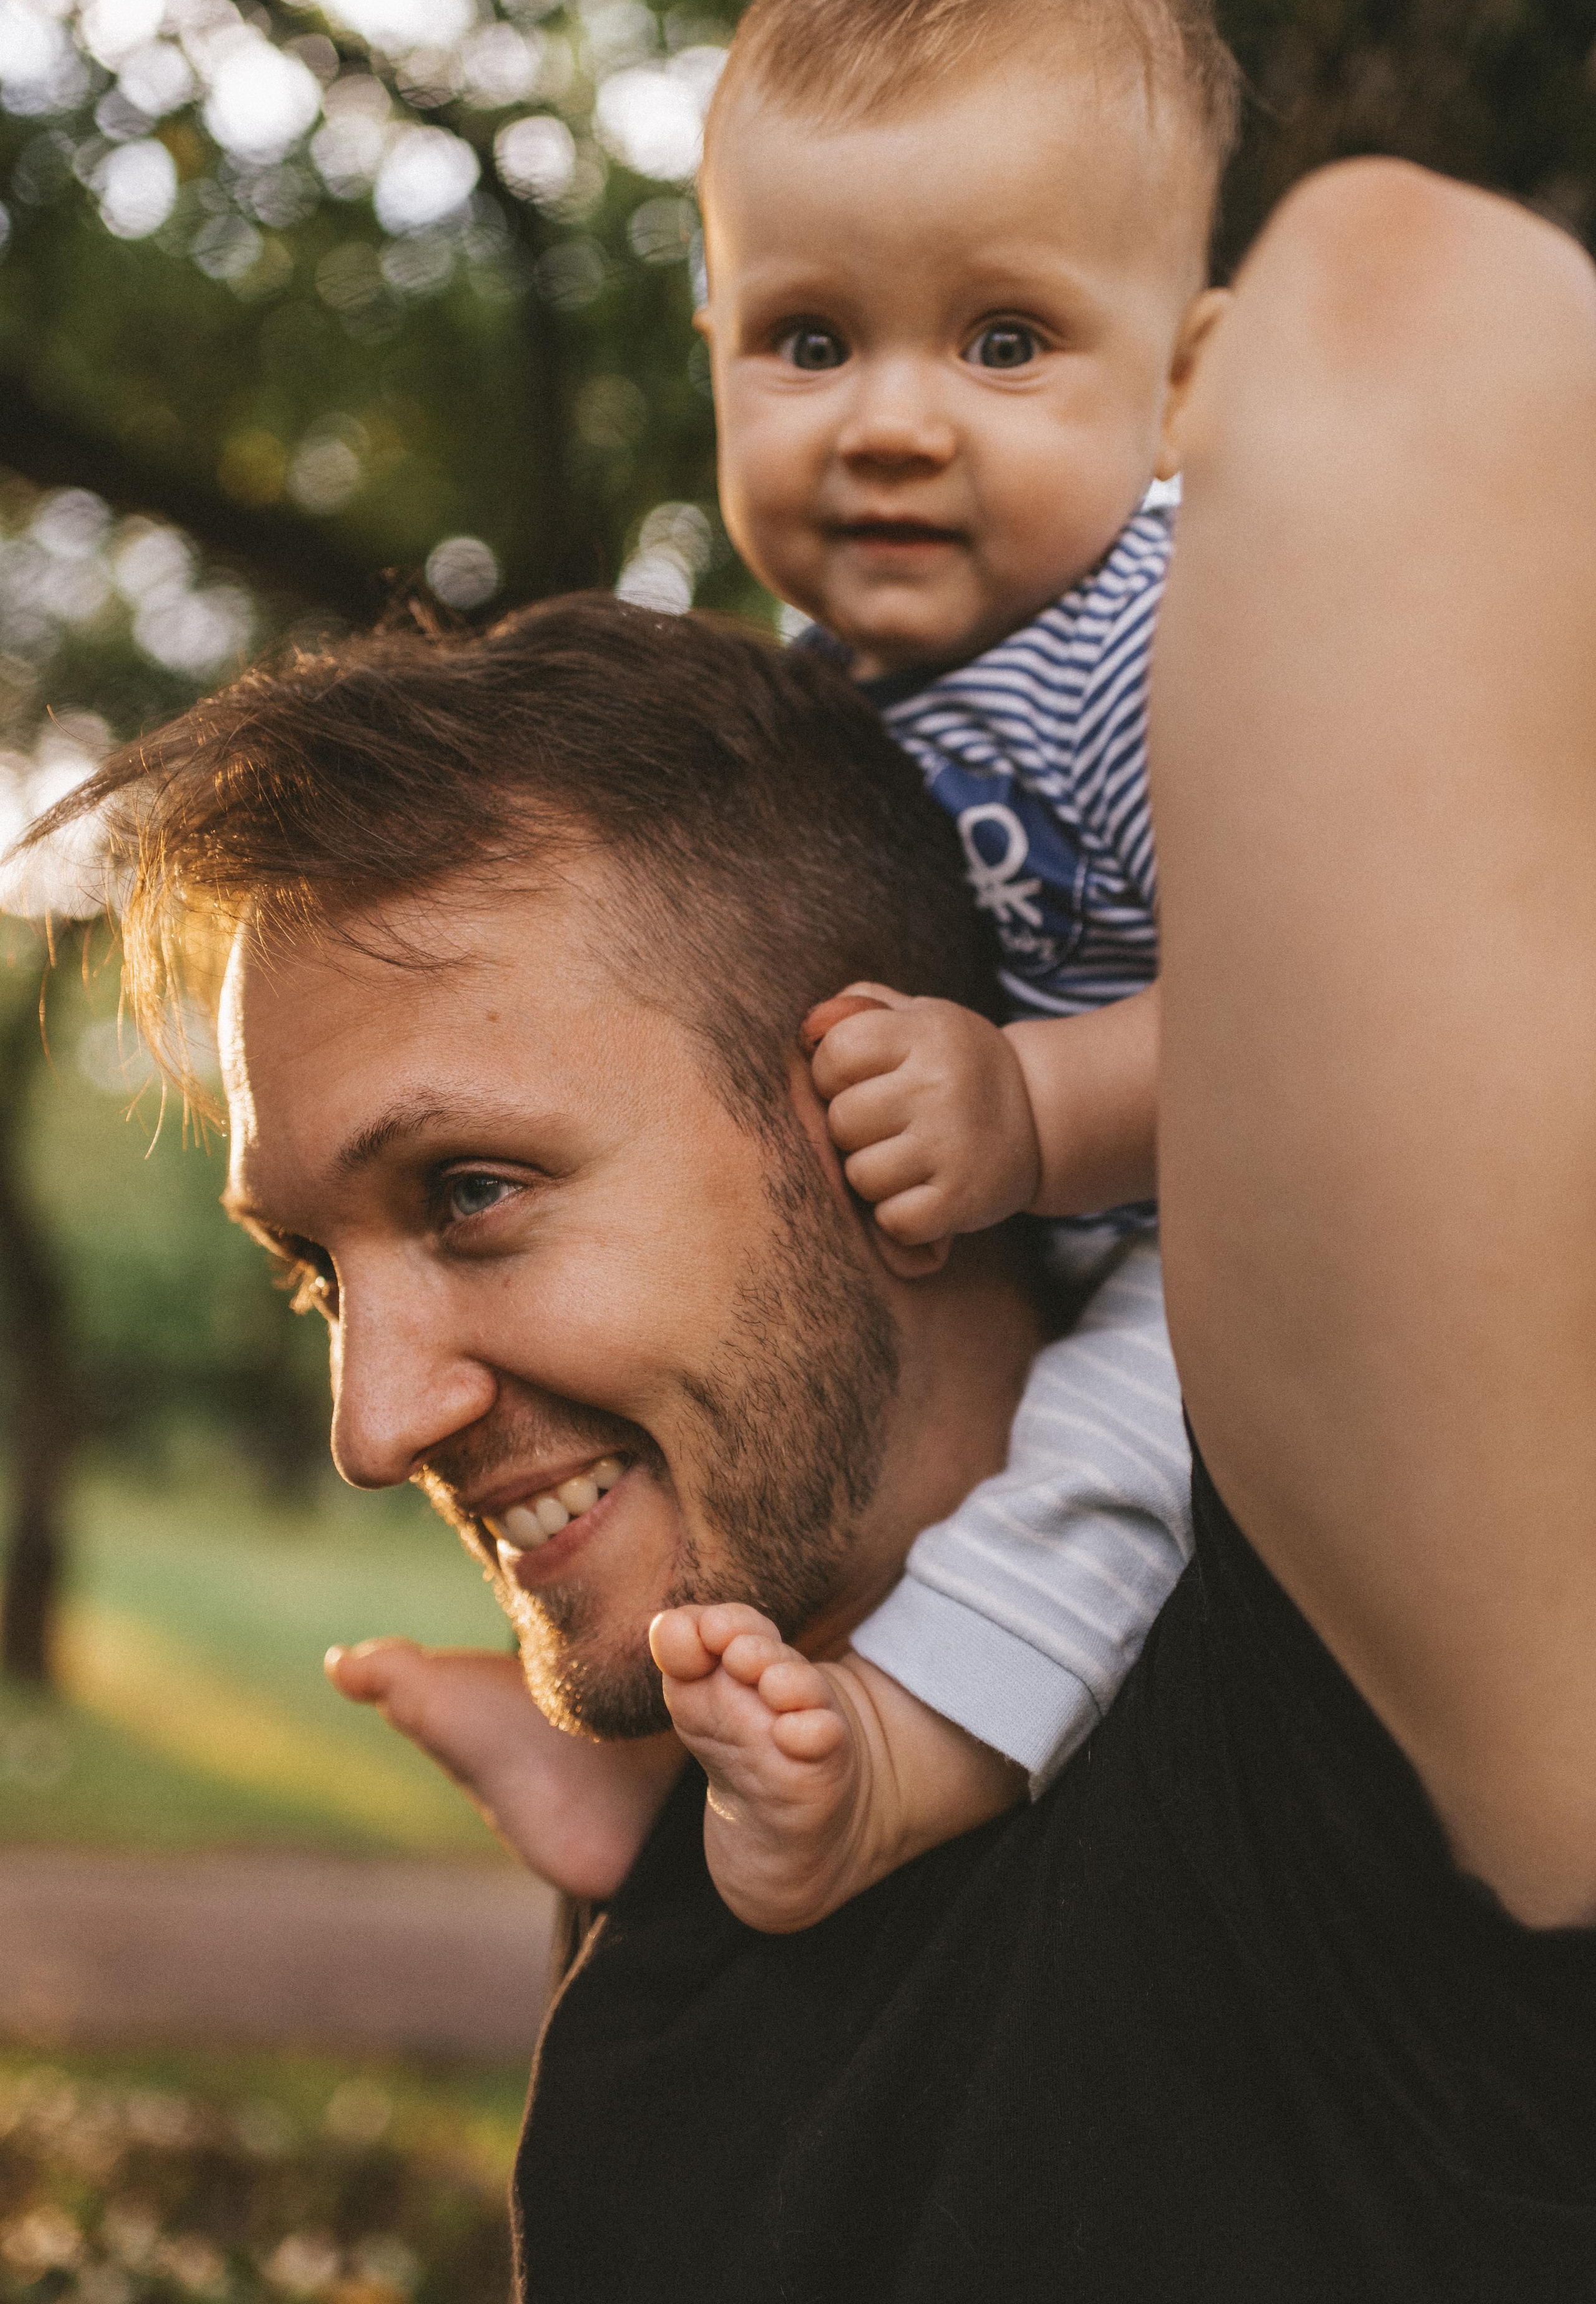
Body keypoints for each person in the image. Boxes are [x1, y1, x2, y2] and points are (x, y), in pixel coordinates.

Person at [21, 150, 1596, 2297]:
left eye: (470, 1193)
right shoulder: (662, 2011)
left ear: (883, 1106)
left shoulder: (1348, 1688)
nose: (371, 1423)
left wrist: (1085, 391)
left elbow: (1414, 300)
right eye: (315, 1271)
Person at [640, 0, 1241, 1926]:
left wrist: (1033, 1107)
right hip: (1013, 1223)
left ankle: (903, 1769)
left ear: (1182, 388)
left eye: (1003, 341)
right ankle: (621, 1775)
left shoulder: (1167, 641)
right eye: (810, 340)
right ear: (714, 346)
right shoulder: (823, 680)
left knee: (1115, 1440)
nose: (891, 419)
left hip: (1239, 1235)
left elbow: (1326, 1030)